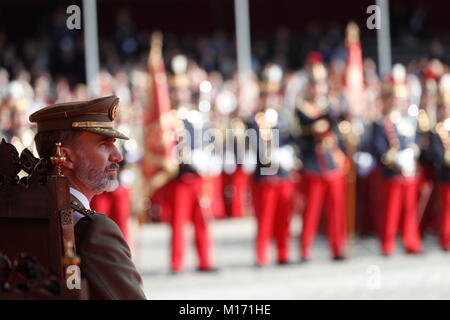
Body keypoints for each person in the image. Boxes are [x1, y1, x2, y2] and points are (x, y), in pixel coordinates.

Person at [29, 95, 147, 299]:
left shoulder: (23, 209)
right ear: (65, 156)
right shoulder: (94, 229)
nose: (117, 155)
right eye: (104, 144)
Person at [371, 65, 422, 256]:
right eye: (393, 98)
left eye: (399, 98)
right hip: (391, 172)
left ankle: (412, 242)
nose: (397, 101)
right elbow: (378, 147)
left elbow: (415, 141)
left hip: (408, 172)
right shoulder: (381, 122)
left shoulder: (407, 120)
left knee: (410, 211)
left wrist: (412, 153)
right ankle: (387, 244)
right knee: (390, 212)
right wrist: (395, 158)